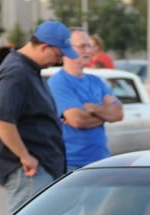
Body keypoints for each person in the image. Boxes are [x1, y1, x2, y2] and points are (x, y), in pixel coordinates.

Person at [0, 20, 77, 213]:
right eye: (58, 55)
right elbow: (1, 120)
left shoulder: (29, 69)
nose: (59, 61)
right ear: (44, 47)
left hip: (40, 165)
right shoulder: (16, 72)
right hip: (29, 170)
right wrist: (25, 156)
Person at [47, 28, 123, 171]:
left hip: (101, 161)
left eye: (90, 46)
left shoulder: (96, 80)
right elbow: (78, 120)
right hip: (71, 164)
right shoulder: (58, 82)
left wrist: (90, 108)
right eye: (82, 46)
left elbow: (118, 114)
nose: (88, 50)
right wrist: (105, 113)